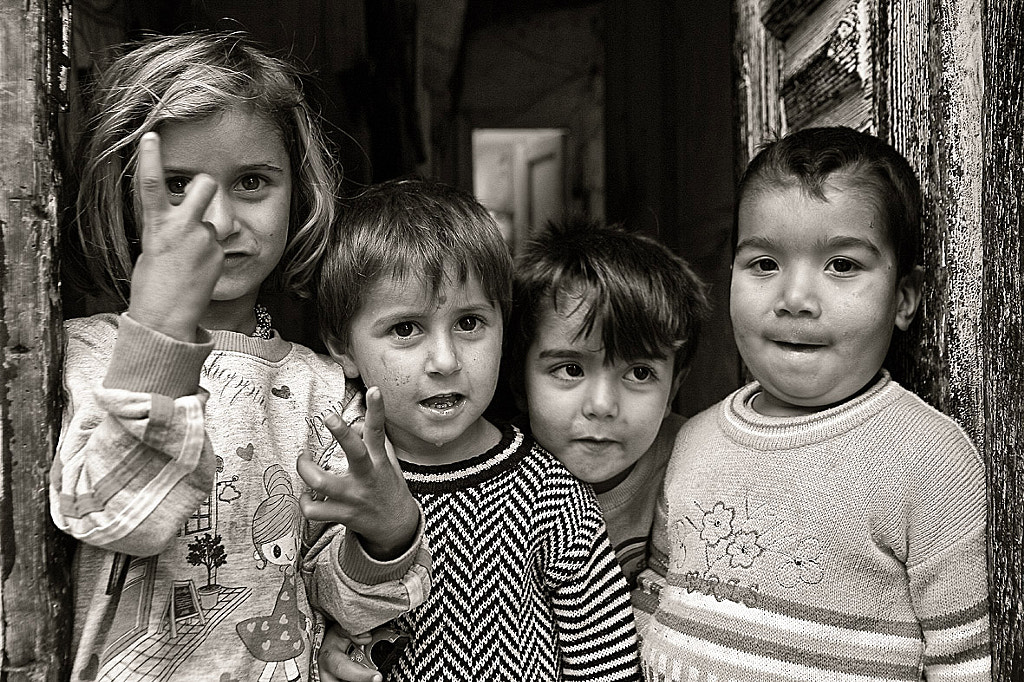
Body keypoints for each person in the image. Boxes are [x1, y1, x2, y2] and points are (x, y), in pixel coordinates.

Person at [50, 33, 428, 682]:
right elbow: (114, 517)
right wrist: (159, 337)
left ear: (297, 193)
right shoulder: (85, 355)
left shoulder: (320, 389)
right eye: (178, 186)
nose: (219, 220)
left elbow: (348, 608)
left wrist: (386, 534)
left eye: (252, 181)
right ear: (123, 196)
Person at [635, 126, 991, 680]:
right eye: (764, 264)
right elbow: (652, 602)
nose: (795, 299)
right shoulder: (695, 440)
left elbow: (966, 663)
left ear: (904, 298)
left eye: (842, 265)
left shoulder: (929, 462)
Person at [301, 178, 643, 682]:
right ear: (343, 348)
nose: (445, 361)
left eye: (469, 323)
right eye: (405, 329)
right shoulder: (338, 482)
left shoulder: (552, 496)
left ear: (505, 326)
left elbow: (605, 663)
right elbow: (300, 619)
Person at [505, 217, 710, 587]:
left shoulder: (695, 461)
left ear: (674, 387)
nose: (601, 406)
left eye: (640, 374)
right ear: (519, 378)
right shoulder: (492, 479)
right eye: (569, 369)